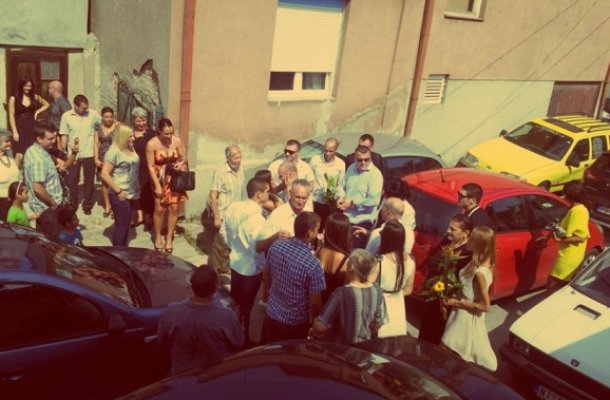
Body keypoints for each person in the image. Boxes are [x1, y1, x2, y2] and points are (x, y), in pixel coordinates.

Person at [157, 265, 244, 374]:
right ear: (215, 289)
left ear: (191, 286)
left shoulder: (172, 311)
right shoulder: (227, 316)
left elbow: (162, 341)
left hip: (181, 376)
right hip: (214, 376)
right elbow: (238, 343)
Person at [262, 212, 326, 342]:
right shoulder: (313, 265)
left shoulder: (276, 246)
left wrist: (266, 296)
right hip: (294, 324)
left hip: (271, 313)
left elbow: (266, 274)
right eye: (317, 230)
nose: (318, 233)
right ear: (309, 234)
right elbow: (315, 303)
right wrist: (314, 324)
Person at [441, 226, 497, 372]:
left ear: (479, 243)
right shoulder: (484, 262)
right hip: (460, 313)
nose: (468, 241)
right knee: (456, 358)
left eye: (472, 239)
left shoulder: (479, 272)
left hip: (465, 318)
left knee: (447, 351)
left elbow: (485, 306)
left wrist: (457, 302)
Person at [224, 177, 269, 345]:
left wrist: (233, 247)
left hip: (235, 262)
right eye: (267, 191)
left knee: (235, 302)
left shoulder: (234, 206)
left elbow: (225, 231)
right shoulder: (257, 218)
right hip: (250, 269)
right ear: (258, 194)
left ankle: (231, 331)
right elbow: (257, 248)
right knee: (247, 307)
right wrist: (263, 266)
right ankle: (244, 339)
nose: (268, 194)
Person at [418, 214, 473, 345]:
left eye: (453, 229)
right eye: (449, 227)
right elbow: (432, 259)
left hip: (444, 302)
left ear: (466, 233)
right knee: (425, 331)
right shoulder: (447, 242)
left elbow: (460, 280)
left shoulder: (467, 253)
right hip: (432, 296)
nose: (448, 231)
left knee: (435, 335)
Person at [312, 249, 386, 344]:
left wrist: (315, 320)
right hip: (365, 347)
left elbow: (320, 326)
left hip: (344, 347)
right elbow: (377, 324)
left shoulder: (342, 293)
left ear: (351, 267)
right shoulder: (377, 290)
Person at [146, 118, 188, 253]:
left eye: (171, 133)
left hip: (174, 179)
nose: (169, 136)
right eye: (166, 134)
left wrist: (180, 164)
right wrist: (157, 185)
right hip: (158, 179)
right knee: (159, 209)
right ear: (159, 131)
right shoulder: (151, 144)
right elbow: (150, 167)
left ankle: (169, 237)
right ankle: (158, 236)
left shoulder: (177, 141)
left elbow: (184, 157)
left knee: (174, 209)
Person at [368, 220, 415, 338]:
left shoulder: (378, 261)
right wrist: (395, 294)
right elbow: (408, 290)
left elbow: (368, 287)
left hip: (379, 308)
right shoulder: (410, 262)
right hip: (398, 308)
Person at [59, 94, 102, 214]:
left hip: (89, 152)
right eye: (83, 108)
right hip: (74, 154)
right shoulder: (66, 116)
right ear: (76, 106)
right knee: (72, 180)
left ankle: (87, 205)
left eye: (86, 107)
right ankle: (73, 205)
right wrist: (63, 152)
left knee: (89, 181)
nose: (85, 110)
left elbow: (102, 125)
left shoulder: (93, 114)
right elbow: (64, 135)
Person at [547, 181, 590, 293]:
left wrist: (561, 239)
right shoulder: (579, 208)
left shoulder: (577, 211)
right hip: (568, 254)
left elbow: (581, 237)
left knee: (552, 288)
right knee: (556, 288)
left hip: (568, 257)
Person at [101, 125, 140, 247]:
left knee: (126, 223)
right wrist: (119, 191)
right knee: (121, 225)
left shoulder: (130, 147)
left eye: (133, 135)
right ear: (122, 137)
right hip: (119, 194)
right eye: (130, 136)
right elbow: (104, 174)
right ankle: (117, 251)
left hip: (132, 193)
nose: (133, 138)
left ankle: (124, 249)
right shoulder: (113, 152)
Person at [208, 145, 245, 274]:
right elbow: (213, 196)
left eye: (240, 157)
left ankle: (224, 266)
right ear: (228, 158)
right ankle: (214, 272)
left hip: (235, 213)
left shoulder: (240, 168)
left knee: (230, 242)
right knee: (219, 244)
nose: (239, 160)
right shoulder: (220, 172)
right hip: (223, 213)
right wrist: (216, 217)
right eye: (236, 157)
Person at [337, 145, 384, 248]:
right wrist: (340, 197)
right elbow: (342, 186)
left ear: (370, 158)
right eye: (360, 160)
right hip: (346, 219)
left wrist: (352, 204)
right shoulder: (351, 168)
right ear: (355, 158)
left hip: (361, 223)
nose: (363, 163)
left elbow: (374, 201)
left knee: (353, 253)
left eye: (366, 160)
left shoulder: (375, 175)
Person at [23, 124, 63, 238]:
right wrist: (53, 203)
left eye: (54, 138)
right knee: (55, 243)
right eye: (50, 139)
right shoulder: (38, 159)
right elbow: (37, 188)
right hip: (47, 210)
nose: (54, 141)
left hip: (42, 209)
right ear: (39, 139)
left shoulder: (32, 150)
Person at [255, 179, 313, 254]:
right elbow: (258, 247)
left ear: (308, 196)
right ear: (290, 193)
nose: (300, 202)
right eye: (297, 197)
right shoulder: (277, 215)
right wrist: (275, 237)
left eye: (304, 198)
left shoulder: (309, 211)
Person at [8, 78, 50, 165]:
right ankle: (17, 172)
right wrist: (15, 132)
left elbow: (47, 104)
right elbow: (11, 115)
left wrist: (37, 112)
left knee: (32, 151)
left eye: (30, 86)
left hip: (32, 126)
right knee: (19, 154)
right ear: (21, 85)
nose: (28, 88)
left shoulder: (34, 96)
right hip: (20, 127)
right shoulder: (14, 98)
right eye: (26, 86)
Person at [310, 137, 345, 231]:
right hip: (315, 201)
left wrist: (340, 197)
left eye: (331, 151)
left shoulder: (340, 164)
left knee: (327, 230)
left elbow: (340, 185)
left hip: (330, 203)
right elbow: (310, 179)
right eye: (326, 150)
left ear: (336, 150)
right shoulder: (315, 160)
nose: (327, 153)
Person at [317, 212, 351, 304]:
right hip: (334, 307)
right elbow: (347, 293)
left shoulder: (320, 250)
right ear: (345, 233)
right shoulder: (346, 261)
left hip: (318, 301)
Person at [131, 107, 156, 229]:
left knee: (146, 193)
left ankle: (148, 216)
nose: (141, 123)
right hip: (132, 168)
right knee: (134, 192)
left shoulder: (152, 134)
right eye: (138, 121)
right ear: (133, 121)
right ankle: (139, 216)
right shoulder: (129, 133)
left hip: (146, 168)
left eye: (143, 120)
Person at [94, 107, 117, 218]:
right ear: (102, 117)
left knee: (115, 182)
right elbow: (96, 144)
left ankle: (115, 207)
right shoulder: (98, 128)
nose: (108, 119)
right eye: (106, 117)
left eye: (110, 117)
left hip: (115, 159)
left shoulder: (117, 127)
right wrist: (96, 159)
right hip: (102, 159)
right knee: (104, 183)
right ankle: (107, 205)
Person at [0, 130, 20, 221]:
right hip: (2, 203)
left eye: (10, 141)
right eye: (6, 141)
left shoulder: (10, 158)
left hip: (14, 201)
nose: (10, 143)